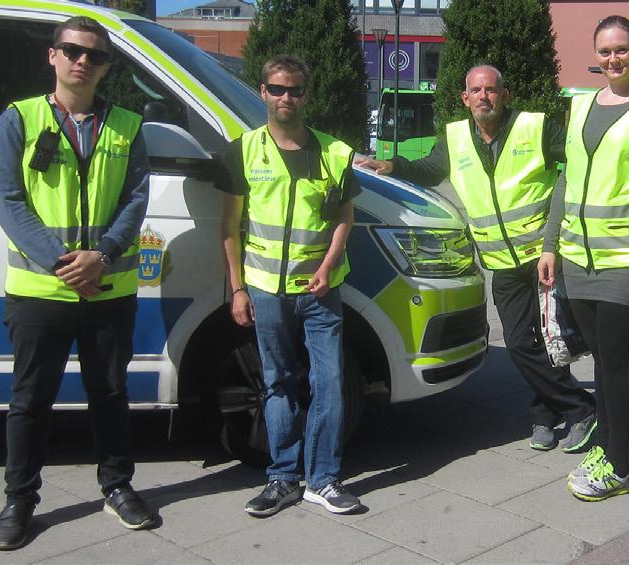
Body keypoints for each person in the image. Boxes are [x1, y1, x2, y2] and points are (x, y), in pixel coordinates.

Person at [357, 65, 597, 453]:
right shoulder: (454, 138)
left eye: (491, 89)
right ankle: (580, 406)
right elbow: (430, 169)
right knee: (520, 343)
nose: (484, 96)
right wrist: (394, 166)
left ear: (504, 95)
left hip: (544, 256)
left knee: (550, 339)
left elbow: (581, 161)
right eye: (476, 90)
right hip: (501, 261)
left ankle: (546, 414)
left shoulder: (535, 127)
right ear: (465, 98)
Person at [0, 16, 155, 550]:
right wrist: (66, 264)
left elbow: (136, 199)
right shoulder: (18, 119)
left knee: (110, 394)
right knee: (31, 400)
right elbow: (8, 201)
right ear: (53, 56)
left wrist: (102, 257)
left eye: (95, 56)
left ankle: (118, 486)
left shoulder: (127, 124)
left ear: (106, 66)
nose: (83, 61)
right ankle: (20, 500)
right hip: (41, 292)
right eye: (73, 51)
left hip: (108, 290)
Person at [537, 15, 629, 501]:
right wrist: (550, 243)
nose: (613, 59)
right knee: (601, 358)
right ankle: (607, 445)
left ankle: (618, 467)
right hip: (580, 259)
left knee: (617, 359)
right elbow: (566, 179)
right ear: (595, 54)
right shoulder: (579, 106)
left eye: (621, 49)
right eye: (605, 51)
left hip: (628, 261)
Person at [218, 54, 361, 517]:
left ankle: (323, 479)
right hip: (265, 289)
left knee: (331, 382)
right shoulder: (242, 150)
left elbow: (344, 218)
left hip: (321, 290)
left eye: (295, 90)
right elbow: (229, 224)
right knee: (277, 384)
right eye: (277, 89)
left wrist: (329, 264)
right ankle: (282, 477)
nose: (286, 98)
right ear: (262, 92)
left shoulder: (334, 153)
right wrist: (237, 288)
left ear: (306, 95)